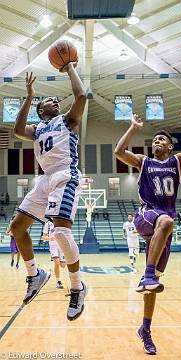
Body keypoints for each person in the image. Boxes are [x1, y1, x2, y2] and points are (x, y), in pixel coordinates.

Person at [114, 108, 181, 355]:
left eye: (161, 139)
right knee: (166, 222)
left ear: (169, 146)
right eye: (154, 140)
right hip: (146, 214)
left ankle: (145, 329)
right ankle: (147, 273)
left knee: (152, 286)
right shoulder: (144, 162)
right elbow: (118, 152)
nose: (157, 142)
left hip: (162, 225)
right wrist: (133, 128)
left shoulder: (177, 161)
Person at [10, 65, 87, 321]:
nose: (55, 100)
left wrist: (70, 68)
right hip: (45, 179)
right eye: (48, 100)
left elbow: (81, 96)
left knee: (61, 232)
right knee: (17, 228)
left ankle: (77, 287)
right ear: (41, 110)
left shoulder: (67, 120)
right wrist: (30, 97)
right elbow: (18, 130)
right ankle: (35, 275)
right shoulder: (38, 128)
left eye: (56, 99)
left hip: (65, 174)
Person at [42, 220, 66, 289]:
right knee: (57, 263)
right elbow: (43, 237)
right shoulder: (48, 224)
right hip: (53, 246)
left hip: (62, 245)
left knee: (63, 265)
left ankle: (65, 259)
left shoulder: (62, 221)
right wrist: (50, 238)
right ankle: (58, 281)